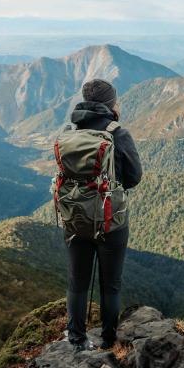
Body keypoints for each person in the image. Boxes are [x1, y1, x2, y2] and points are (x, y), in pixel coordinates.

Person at [64, 78, 142, 352]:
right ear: (111, 103)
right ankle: (108, 341)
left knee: (77, 281)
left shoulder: (70, 133)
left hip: (74, 218)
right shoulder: (117, 133)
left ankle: (75, 339)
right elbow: (134, 177)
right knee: (111, 285)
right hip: (111, 220)